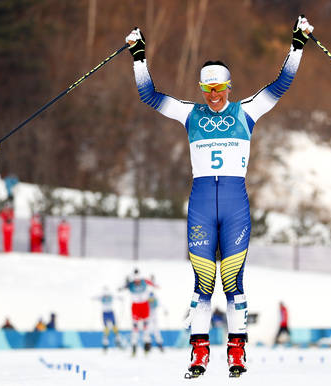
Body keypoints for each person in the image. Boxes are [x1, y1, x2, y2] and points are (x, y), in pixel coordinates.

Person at [125, 14, 314, 377]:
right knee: (202, 284)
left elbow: (282, 83)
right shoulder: (189, 113)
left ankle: (237, 352)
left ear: (229, 87)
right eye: (208, 91)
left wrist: (297, 46)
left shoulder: (246, 111)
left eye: (220, 90)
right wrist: (138, 55)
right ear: (201, 89)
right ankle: (198, 353)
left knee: (233, 283)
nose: (214, 97)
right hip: (200, 206)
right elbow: (148, 95)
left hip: (235, 206)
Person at [118, 269, 156, 356]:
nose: (137, 282)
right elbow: (119, 288)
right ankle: (134, 347)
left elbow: (156, 285)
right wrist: (125, 282)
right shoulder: (130, 283)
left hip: (144, 306)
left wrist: (153, 280)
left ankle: (147, 346)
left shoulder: (144, 281)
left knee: (146, 327)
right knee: (135, 328)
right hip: (135, 307)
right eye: (136, 280)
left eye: (138, 280)